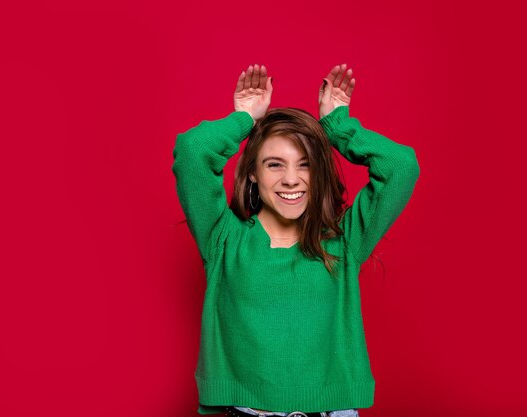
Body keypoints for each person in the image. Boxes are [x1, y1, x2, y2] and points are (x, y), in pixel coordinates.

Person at [172, 63, 420, 417]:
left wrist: (337, 125)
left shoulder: (344, 242)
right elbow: (193, 153)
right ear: (253, 173)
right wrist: (244, 119)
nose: (291, 179)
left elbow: (401, 166)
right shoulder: (224, 240)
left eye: (305, 165)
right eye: (275, 164)